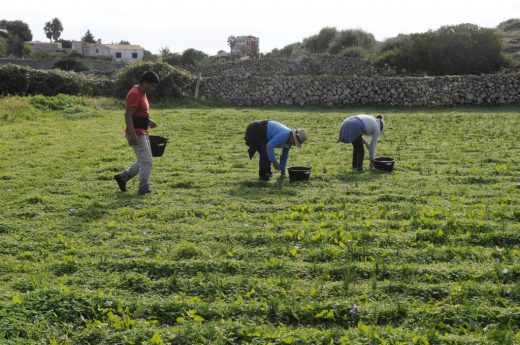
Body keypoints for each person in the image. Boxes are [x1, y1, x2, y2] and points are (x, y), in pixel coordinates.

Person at [114, 71, 160, 194]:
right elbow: (128, 115)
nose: (153, 89)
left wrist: (148, 121)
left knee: (143, 160)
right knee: (147, 161)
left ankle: (122, 177)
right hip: (136, 132)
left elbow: (137, 114)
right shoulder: (135, 93)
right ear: (145, 82)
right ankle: (144, 188)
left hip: (142, 130)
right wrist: (132, 134)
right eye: (152, 86)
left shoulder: (142, 92)